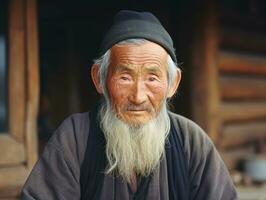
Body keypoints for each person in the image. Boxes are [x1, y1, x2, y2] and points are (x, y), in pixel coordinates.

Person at [21, 10, 237, 200]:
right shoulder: (75, 138)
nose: (138, 96)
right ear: (99, 79)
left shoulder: (191, 141)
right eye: (125, 77)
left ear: (173, 84)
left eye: (152, 78)